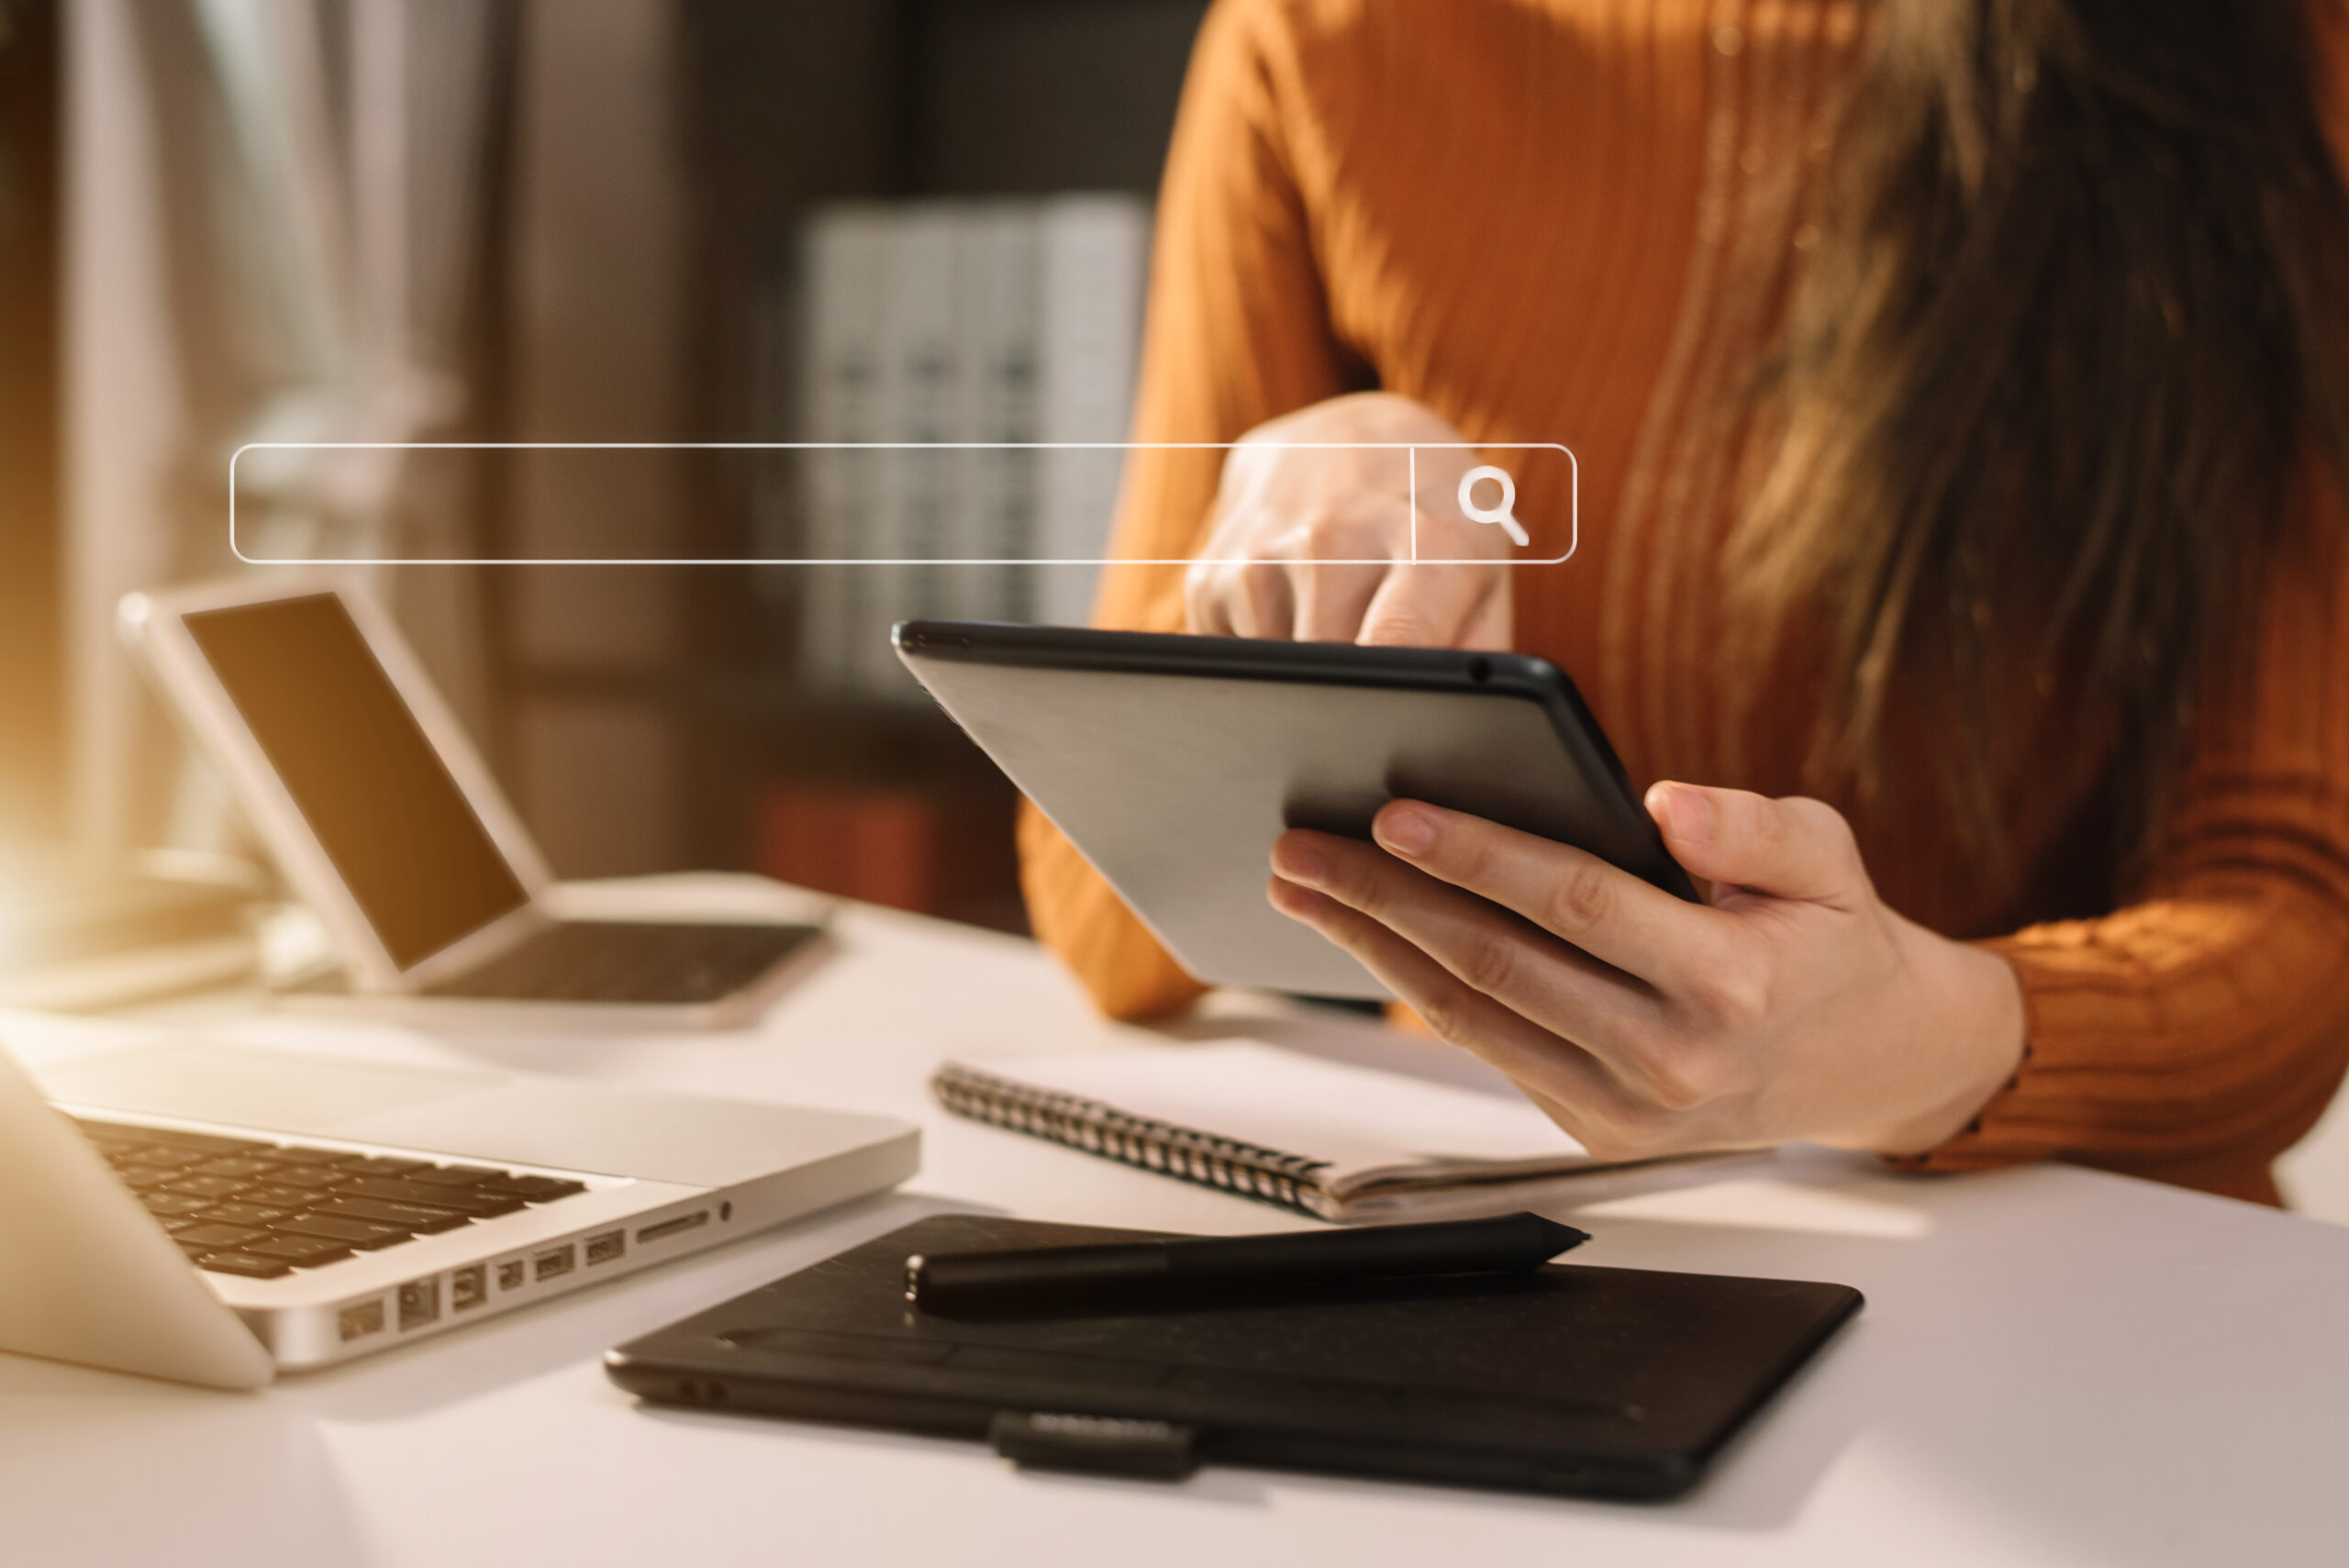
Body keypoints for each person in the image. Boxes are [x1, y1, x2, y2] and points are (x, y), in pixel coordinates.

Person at [1019, 0, 2349, 1205]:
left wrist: (1932, 1038)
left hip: (2066, 1281)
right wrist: (1301, 487)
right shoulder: (1324, 38)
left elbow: (2296, 932)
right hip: (1498, 1233)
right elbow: (1102, 923)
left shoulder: (2268, 50)